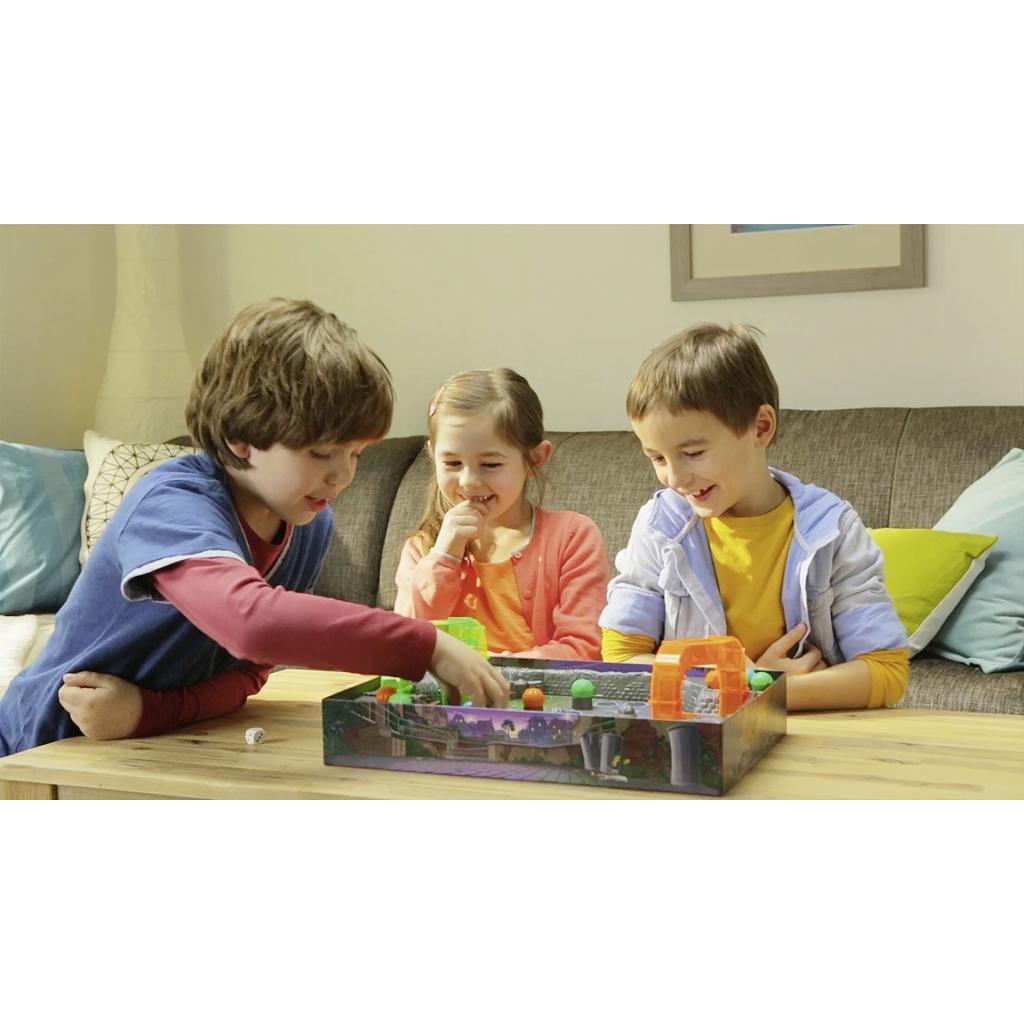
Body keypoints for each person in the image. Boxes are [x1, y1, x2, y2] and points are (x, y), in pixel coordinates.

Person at [0, 299, 509, 756]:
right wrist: (423, 643)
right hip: (42, 746)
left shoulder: (309, 523)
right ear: (241, 437)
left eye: (356, 454)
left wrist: (148, 712)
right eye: (321, 453)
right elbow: (252, 624)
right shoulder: (171, 503)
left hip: (160, 744)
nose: (343, 475)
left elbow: (250, 673)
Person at [599, 322, 910, 711]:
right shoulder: (660, 526)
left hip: (807, 732)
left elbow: (887, 672)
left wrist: (763, 691)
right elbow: (621, 658)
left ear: (760, 428)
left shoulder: (834, 530)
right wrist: (746, 682)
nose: (675, 479)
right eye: (657, 458)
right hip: (696, 736)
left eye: (693, 454)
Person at [395, 368, 609, 660]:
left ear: (535, 459)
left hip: (535, 690)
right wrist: (444, 557)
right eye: (453, 463)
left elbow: (584, 646)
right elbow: (407, 644)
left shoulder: (572, 536)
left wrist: (499, 671)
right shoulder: (422, 549)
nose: (469, 481)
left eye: (490, 465)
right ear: (433, 457)